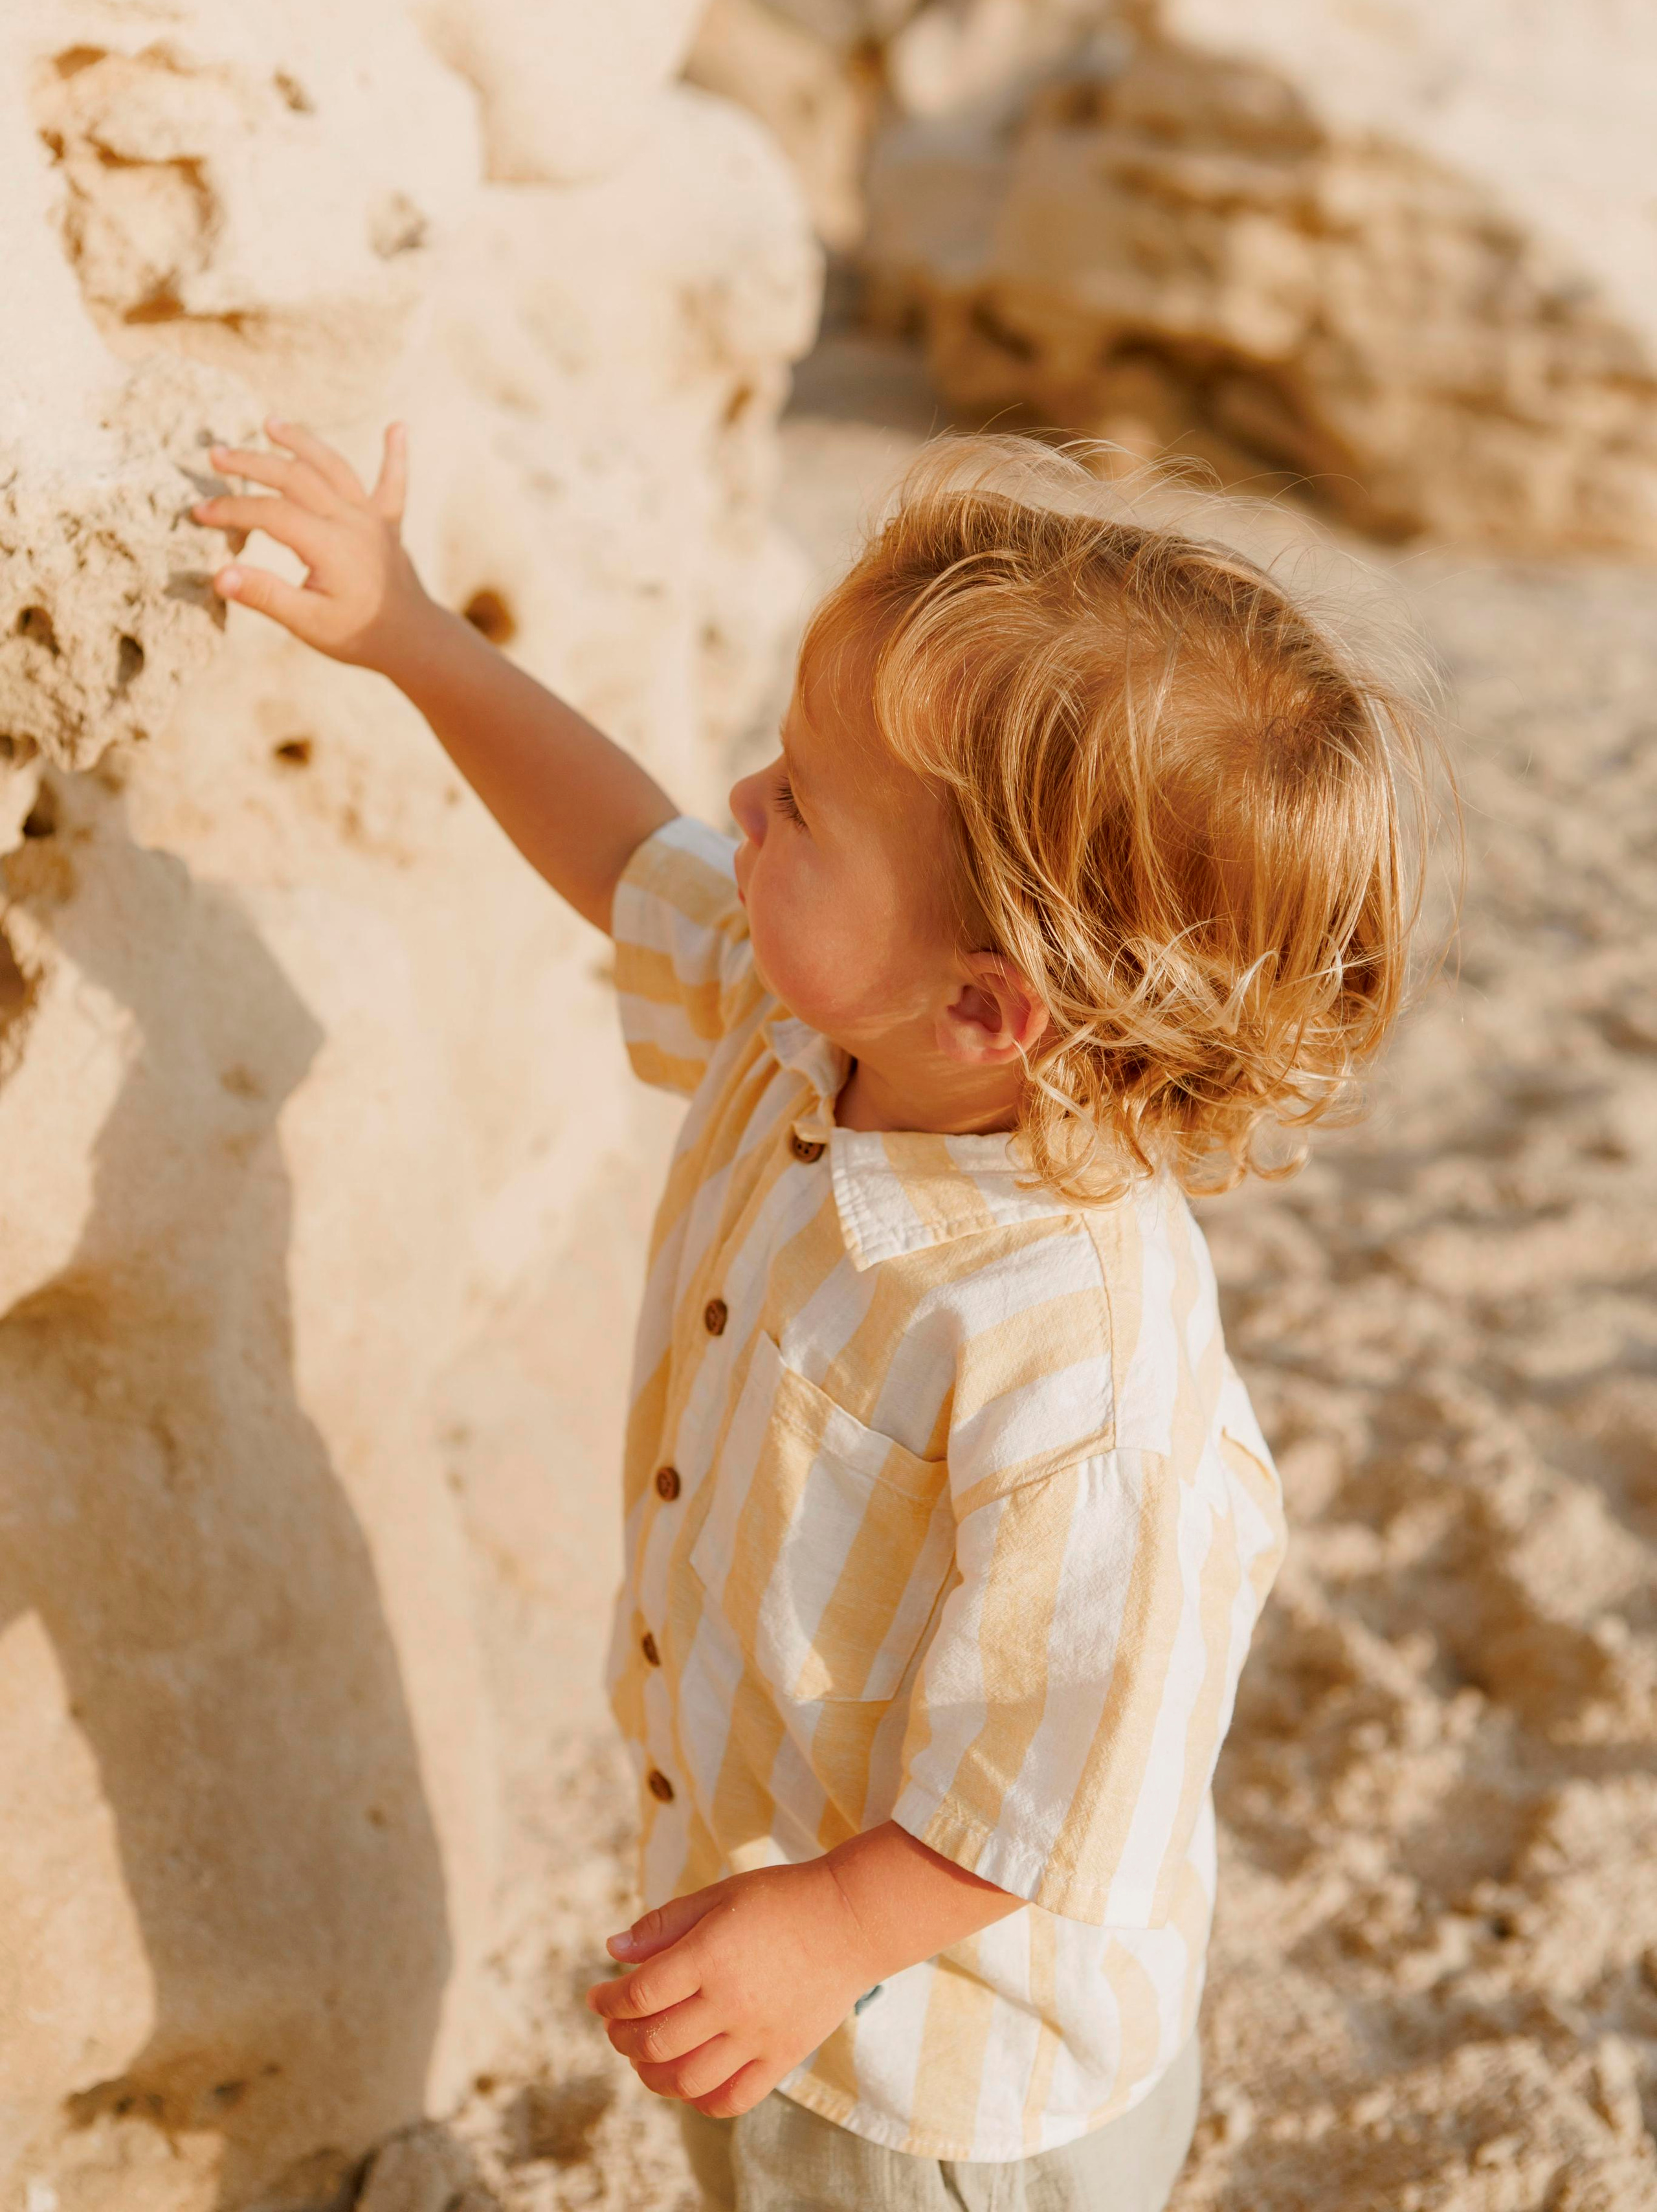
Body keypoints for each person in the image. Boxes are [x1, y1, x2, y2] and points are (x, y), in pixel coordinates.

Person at [193, 418, 1431, 2210]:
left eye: (803, 807)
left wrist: (831, 1931)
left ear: (990, 1007)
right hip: (761, 1926)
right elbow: (625, 849)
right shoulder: (829, 1026)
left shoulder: (1080, 1362)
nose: (746, 804)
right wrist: (412, 632)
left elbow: (1073, 1762)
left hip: (938, 2082)